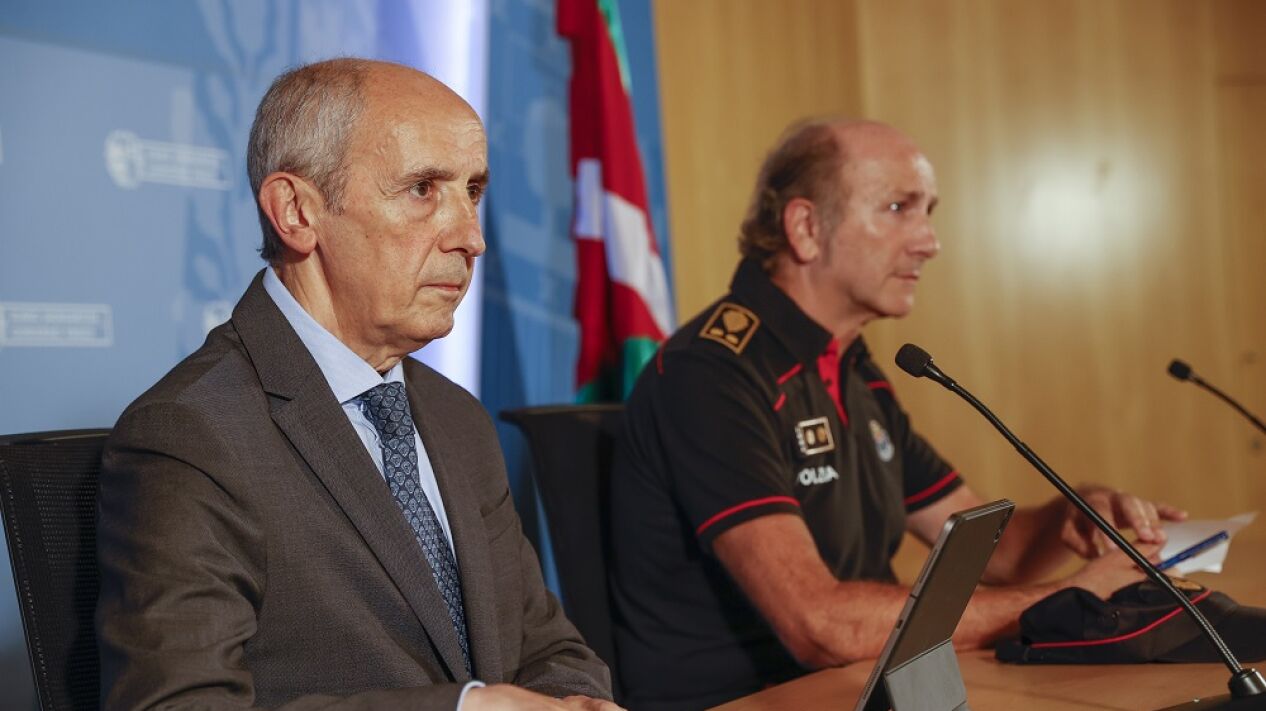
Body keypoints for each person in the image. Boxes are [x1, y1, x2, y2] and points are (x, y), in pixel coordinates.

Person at [607, 119, 1186, 710]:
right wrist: (1067, 600)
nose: (929, 242)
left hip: (863, 688)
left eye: (927, 211)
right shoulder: (711, 374)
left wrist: (1077, 512)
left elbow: (998, 554)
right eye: (897, 208)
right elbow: (820, 625)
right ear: (806, 228)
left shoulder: (851, 367)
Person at [96, 58, 620, 711]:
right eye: (423, 189)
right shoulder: (192, 434)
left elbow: (549, 648)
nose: (471, 237)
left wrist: (577, 703)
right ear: (296, 212)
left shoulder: (457, 416)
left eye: (473, 191)